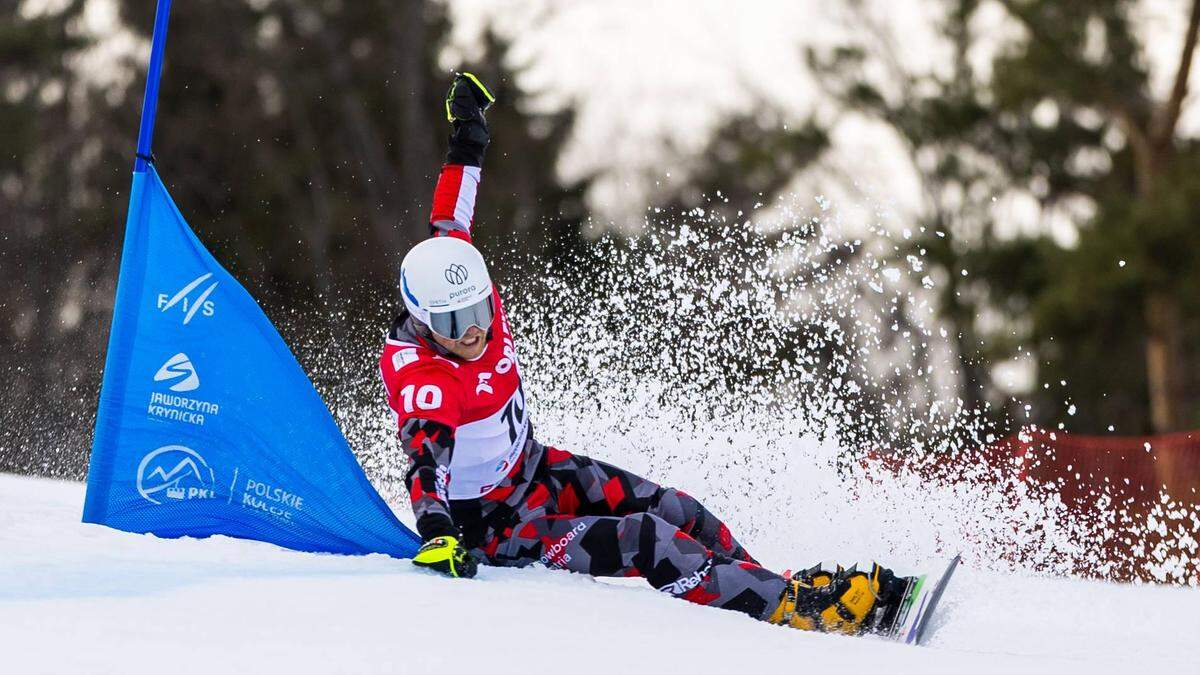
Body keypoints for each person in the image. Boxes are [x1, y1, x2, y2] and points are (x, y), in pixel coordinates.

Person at [378, 73, 913, 635]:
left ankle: (776, 591)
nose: (474, 332)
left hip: (535, 471)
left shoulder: (457, 279)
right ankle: (799, 613)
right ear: (422, 317)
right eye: (455, 324)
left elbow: (451, 218)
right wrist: (438, 533)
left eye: (481, 311)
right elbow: (425, 461)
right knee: (645, 539)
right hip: (496, 530)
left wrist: (469, 136)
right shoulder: (428, 379)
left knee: (672, 508)